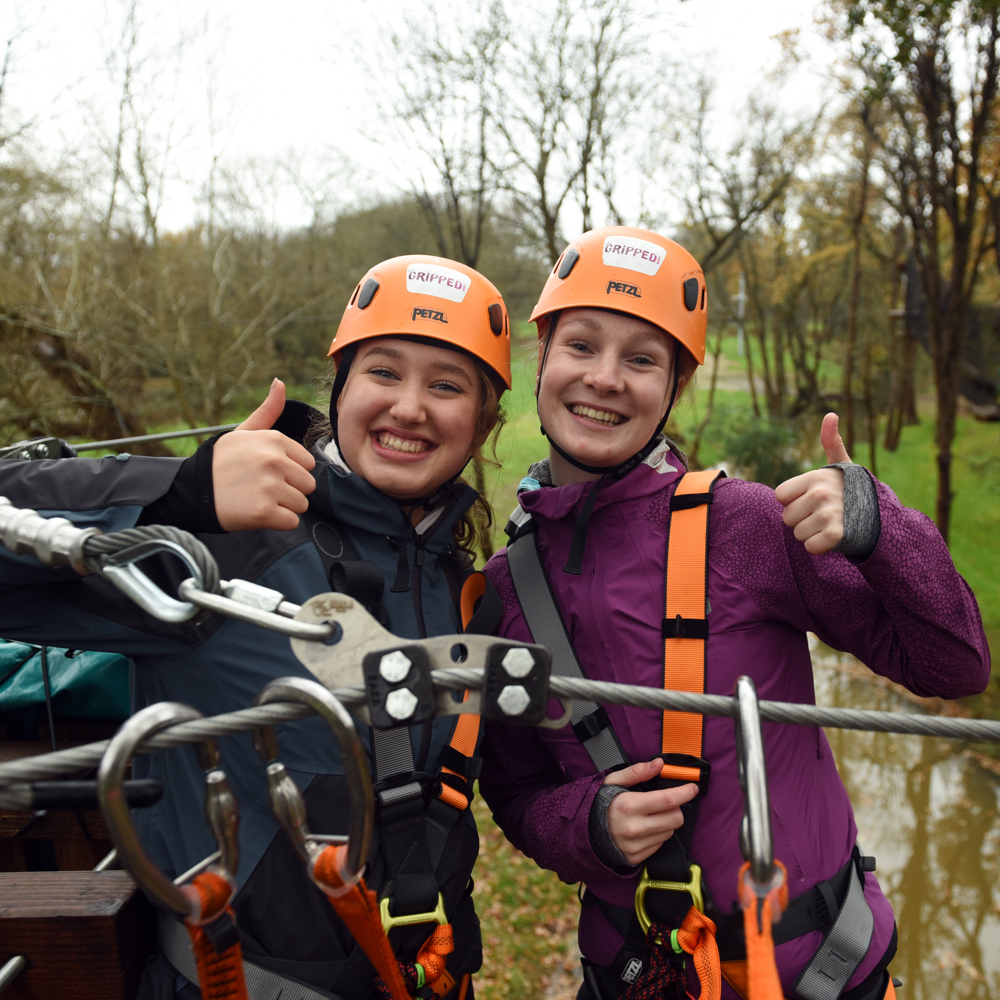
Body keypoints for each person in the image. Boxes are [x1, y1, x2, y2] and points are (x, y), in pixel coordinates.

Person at [473, 227, 990, 1000]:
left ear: (674, 387)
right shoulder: (503, 590)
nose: (606, 378)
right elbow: (514, 792)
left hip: (816, 972)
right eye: (581, 346)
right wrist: (587, 826)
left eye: (642, 359)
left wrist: (880, 526)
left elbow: (953, 665)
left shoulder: (746, 526)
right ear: (540, 357)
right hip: (634, 974)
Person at [0, 254, 512, 1000]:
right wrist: (175, 494)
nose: (409, 406)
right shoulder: (231, 544)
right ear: (338, 389)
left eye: (446, 385)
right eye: (382, 372)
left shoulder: (459, 584)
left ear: (482, 422)